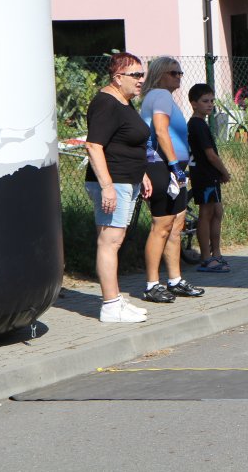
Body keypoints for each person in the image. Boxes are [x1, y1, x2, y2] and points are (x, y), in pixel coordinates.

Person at [83, 52, 153, 323]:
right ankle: (111, 306)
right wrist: (108, 186)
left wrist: (142, 174)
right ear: (118, 77)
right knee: (109, 241)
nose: (141, 80)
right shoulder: (106, 103)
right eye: (135, 75)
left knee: (116, 240)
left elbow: (125, 142)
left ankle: (115, 299)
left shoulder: (123, 101)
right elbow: (94, 145)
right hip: (113, 182)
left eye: (142, 74)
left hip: (127, 180)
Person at [139, 57, 205, 303]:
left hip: (170, 167)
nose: (178, 77)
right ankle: (151, 284)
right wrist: (174, 166)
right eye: (173, 73)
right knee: (162, 225)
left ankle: (175, 280)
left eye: (180, 73)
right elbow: (160, 130)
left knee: (176, 225)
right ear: (159, 74)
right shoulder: (161, 96)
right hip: (162, 166)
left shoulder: (162, 96)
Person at [187, 83, 232, 272]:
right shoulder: (196, 124)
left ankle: (217, 253)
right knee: (206, 214)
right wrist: (224, 172)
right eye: (205, 101)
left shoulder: (201, 124)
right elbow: (211, 155)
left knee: (217, 212)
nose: (210, 104)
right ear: (194, 103)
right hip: (204, 175)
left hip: (209, 176)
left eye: (212, 101)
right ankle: (206, 257)